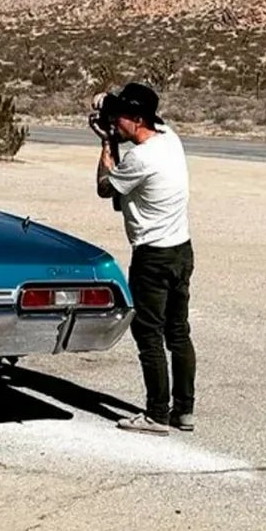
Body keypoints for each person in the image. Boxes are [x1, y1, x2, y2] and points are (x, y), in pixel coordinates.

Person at [94, 82, 196, 436]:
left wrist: (106, 144)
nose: (115, 122)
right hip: (181, 249)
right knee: (178, 332)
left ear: (137, 119)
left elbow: (105, 187)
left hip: (152, 255)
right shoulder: (170, 139)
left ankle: (156, 414)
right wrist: (109, 108)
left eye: (119, 117)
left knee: (148, 333)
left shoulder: (140, 159)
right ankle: (184, 410)